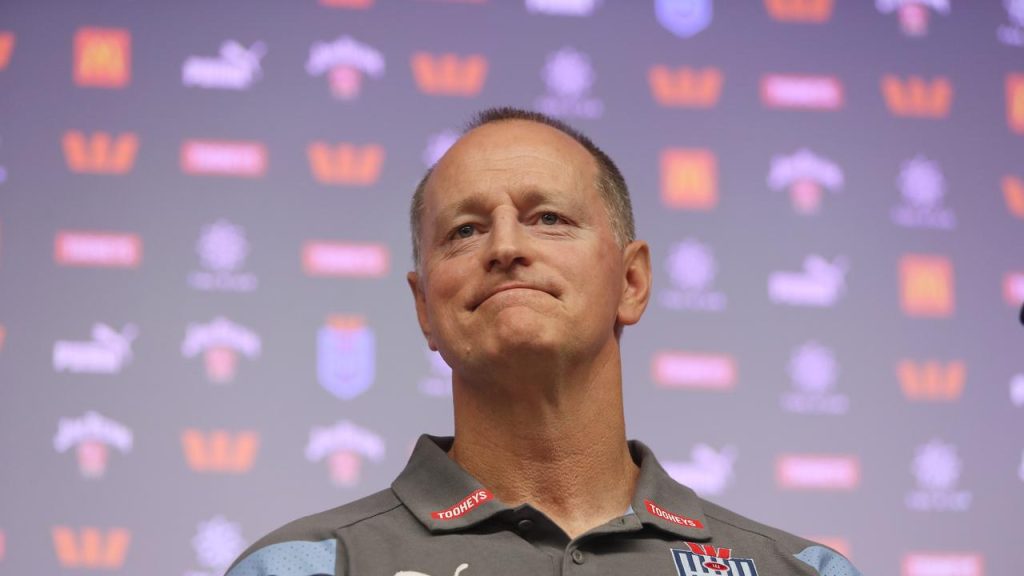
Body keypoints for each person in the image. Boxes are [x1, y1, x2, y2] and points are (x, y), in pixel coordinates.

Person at [226, 107, 862, 576]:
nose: (505, 248)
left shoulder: (800, 571)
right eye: (466, 230)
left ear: (632, 281)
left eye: (549, 219)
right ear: (424, 308)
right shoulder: (303, 566)